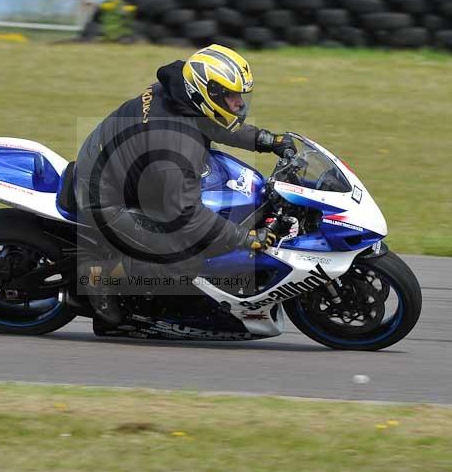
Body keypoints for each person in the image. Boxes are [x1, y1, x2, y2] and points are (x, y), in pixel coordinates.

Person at [73, 44, 296, 324]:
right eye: (232, 96)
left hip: (117, 161)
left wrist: (265, 140)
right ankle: (99, 276)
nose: (239, 103)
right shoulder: (174, 146)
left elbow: (212, 123)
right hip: (105, 198)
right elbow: (188, 215)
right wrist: (244, 238)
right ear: (209, 93)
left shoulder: (183, 88)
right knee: (186, 256)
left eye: (240, 95)